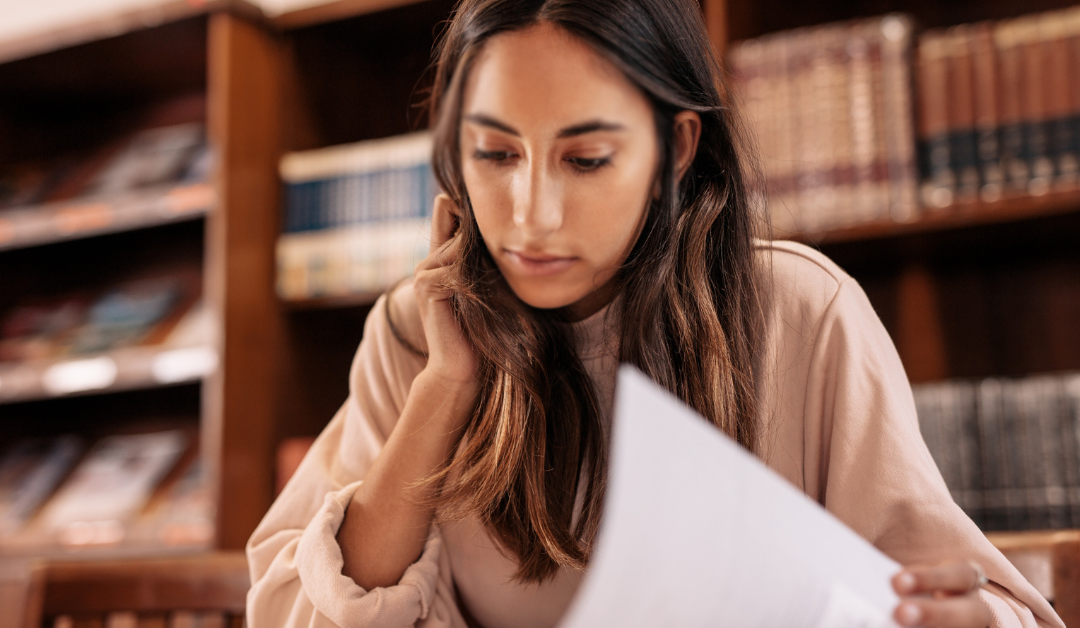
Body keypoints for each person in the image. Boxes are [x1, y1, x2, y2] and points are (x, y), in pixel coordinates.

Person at [246, 1, 1062, 626]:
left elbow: (985, 604)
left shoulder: (801, 314)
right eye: (495, 153)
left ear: (674, 149)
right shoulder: (417, 333)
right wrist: (445, 388)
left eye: (587, 159)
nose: (531, 215)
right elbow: (292, 608)